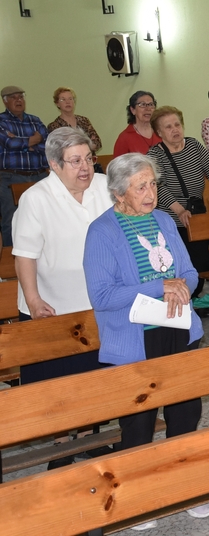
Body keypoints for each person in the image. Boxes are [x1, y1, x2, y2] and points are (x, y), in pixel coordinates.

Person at [83, 153, 209, 529]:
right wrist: (161, 286)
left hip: (178, 329)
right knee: (139, 423)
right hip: (134, 338)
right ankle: (137, 498)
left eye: (153, 183)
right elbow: (103, 296)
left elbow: (189, 272)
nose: (150, 192)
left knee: (185, 412)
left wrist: (181, 286)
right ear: (118, 193)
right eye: (141, 186)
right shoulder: (102, 231)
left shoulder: (164, 220)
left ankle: (182, 487)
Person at [12, 127, 113, 468]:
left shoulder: (103, 186)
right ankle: (60, 442)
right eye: (74, 161)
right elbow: (25, 255)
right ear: (54, 165)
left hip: (96, 301)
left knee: (91, 375)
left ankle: (88, 436)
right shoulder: (36, 198)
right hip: (51, 306)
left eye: (88, 158)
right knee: (55, 380)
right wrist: (33, 298)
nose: (85, 167)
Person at [146, 105, 209, 298]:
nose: (175, 129)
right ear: (159, 132)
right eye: (168, 127)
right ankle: (182, 298)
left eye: (177, 124)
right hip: (171, 218)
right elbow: (159, 187)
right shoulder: (154, 155)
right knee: (180, 262)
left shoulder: (194, 145)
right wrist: (180, 210)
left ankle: (194, 297)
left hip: (197, 212)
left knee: (201, 261)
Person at [0, 85, 49, 247]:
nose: (19, 100)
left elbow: (48, 146)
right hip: (11, 177)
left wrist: (27, 144)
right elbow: (9, 143)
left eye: (21, 96)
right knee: (11, 220)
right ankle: (11, 263)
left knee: (44, 218)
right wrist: (34, 140)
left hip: (39, 176)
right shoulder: (1, 121)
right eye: (14, 97)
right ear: (5, 101)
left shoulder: (35, 120)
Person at [46, 87, 102, 153]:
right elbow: (61, 149)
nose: (67, 102)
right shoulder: (54, 126)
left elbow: (98, 143)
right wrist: (87, 143)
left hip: (89, 160)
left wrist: (75, 145)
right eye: (63, 99)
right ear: (57, 103)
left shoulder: (84, 120)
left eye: (70, 99)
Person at [113, 91, 162, 157]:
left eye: (151, 104)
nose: (148, 109)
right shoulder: (124, 138)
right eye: (142, 105)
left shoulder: (161, 132)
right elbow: (118, 166)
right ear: (133, 110)